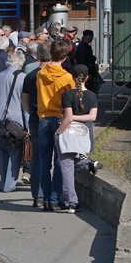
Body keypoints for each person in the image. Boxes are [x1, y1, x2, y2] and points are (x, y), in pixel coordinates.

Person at [33, 41, 76, 212]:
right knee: (60, 161)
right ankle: (55, 199)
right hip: (60, 119)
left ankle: (44, 197)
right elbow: (71, 101)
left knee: (44, 162)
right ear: (65, 57)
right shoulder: (67, 78)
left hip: (43, 118)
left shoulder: (41, 74)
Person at [55, 64, 102, 212]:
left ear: (73, 78)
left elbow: (68, 118)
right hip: (82, 133)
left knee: (66, 167)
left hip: (68, 133)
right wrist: (79, 117)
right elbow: (93, 117)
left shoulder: (67, 95)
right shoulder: (92, 96)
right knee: (70, 164)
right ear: (87, 77)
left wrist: (58, 132)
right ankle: (87, 165)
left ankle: (72, 202)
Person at [0, 49, 27, 192]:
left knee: (2, 152)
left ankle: (3, 182)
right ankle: (9, 185)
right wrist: (27, 126)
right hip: (16, 122)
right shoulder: (23, 78)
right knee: (15, 154)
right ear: (21, 63)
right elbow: (25, 104)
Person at [20, 43, 50, 207]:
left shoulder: (30, 76)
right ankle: (52, 194)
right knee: (56, 156)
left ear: (37, 56)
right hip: (53, 117)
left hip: (35, 117)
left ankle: (38, 195)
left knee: (37, 157)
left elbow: (24, 99)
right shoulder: (57, 75)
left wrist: (31, 111)